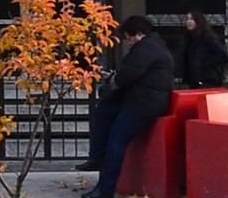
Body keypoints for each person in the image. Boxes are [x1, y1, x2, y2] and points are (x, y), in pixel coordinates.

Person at [75, 15, 175, 198]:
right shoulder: (153, 46)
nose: (128, 42)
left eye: (129, 37)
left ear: (139, 34)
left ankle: (105, 188)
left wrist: (113, 79)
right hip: (142, 98)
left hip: (144, 103)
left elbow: (127, 75)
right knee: (104, 110)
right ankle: (97, 157)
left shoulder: (145, 48)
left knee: (117, 138)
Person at [177, 11, 228, 89]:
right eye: (187, 19)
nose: (189, 22)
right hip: (194, 80)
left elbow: (222, 55)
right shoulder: (188, 40)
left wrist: (205, 65)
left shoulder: (206, 38)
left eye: (192, 19)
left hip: (207, 80)